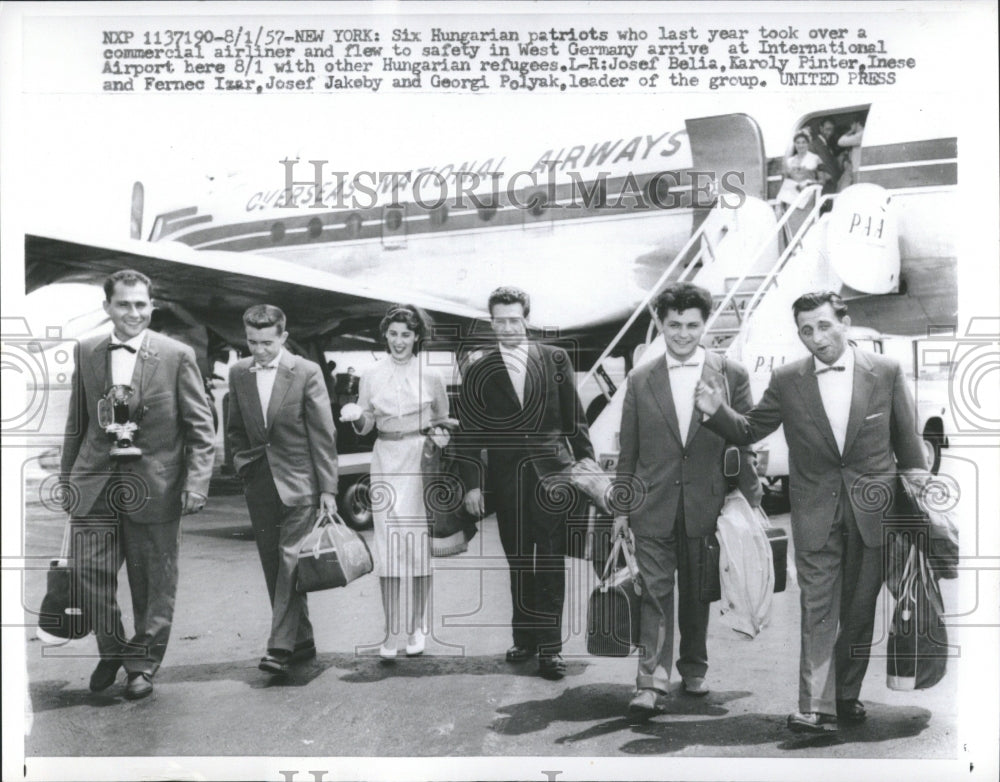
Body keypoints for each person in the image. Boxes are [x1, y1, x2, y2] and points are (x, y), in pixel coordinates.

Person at [694, 291, 927, 733]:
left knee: (859, 613)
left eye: (823, 326)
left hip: (873, 514)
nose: (815, 338)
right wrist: (714, 412)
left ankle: (845, 695)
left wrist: (920, 509)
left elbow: (909, 450)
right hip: (815, 513)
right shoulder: (787, 379)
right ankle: (815, 707)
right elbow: (750, 427)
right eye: (806, 330)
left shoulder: (887, 372)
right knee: (818, 610)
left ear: (845, 322)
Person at [60, 269, 215, 700]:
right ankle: (112, 649)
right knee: (89, 577)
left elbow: (200, 429)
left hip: (156, 487)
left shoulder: (176, 355)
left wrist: (197, 482)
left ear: (152, 307)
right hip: (94, 483)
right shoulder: (87, 349)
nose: (133, 312)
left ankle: (141, 665)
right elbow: (78, 423)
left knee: (154, 585)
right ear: (107, 306)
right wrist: (66, 479)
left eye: (141, 304)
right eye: (124, 304)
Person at [613, 283, 762, 719]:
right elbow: (629, 451)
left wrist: (751, 502)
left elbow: (745, 440)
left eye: (692, 325)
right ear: (660, 323)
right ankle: (650, 683)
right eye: (674, 324)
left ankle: (693, 668)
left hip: (708, 505)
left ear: (705, 324)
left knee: (698, 594)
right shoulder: (641, 378)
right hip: (651, 504)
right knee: (655, 596)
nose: (682, 333)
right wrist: (622, 509)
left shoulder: (732, 375)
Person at [457, 286, 595, 680]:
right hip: (506, 480)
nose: (507, 327)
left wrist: (588, 465)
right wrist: (471, 484)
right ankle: (525, 638)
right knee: (518, 561)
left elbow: (574, 417)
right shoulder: (479, 369)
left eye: (514, 319)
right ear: (491, 322)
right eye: (499, 321)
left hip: (553, 475)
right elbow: (468, 433)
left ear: (526, 318)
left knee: (550, 560)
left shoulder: (554, 358)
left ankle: (551, 649)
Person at [226, 305, 339, 676]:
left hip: (300, 484)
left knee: (290, 560)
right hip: (259, 482)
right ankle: (302, 639)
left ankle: (279, 646)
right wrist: (243, 465)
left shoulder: (307, 372)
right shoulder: (238, 373)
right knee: (274, 566)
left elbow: (323, 434)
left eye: (267, 343)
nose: (259, 351)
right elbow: (235, 428)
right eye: (252, 342)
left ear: (284, 337)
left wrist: (328, 488)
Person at [339, 304, 451, 659]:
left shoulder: (431, 376)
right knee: (387, 547)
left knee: (417, 545)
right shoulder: (371, 375)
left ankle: (418, 627)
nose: (399, 341)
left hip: (419, 460)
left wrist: (440, 439)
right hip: (385, 458)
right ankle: (391, 632)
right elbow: (367, 423)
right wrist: (357, 417)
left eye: (406, 334)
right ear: (384, 336)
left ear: (417, 337)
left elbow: (443, 420)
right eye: (393, 334)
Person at [776, 132, 822, 211]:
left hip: (808, 195)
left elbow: (822, 180)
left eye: (803, 142)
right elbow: (785, 180)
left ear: (808, 143)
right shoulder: (789, 161)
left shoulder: (815, 158)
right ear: (794, 144)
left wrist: (809, 183)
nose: (801, 145)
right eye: (798, 143)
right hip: (791, 197)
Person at [809, 118, 842, 186]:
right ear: (821, 128)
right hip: (825, 184)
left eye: (832, 130)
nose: (830, 133)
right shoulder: (813, 145)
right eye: (828, 129)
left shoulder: (829, 143)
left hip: (834, 183)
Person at [836, 120, 865, 190]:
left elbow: (840, 142)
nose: (851, 126)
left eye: (852, 123)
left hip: (858, 170)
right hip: (856, 168)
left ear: (857, 123)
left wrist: (850, 131)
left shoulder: (861, 134)